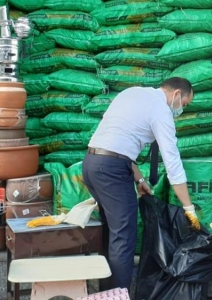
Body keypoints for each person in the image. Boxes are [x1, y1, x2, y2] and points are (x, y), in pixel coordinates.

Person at [82, 77, 200, 291]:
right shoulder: (161, 111)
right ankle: (117, 296)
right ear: (176, 94)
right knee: (124, 239)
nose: (181, 110)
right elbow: (172, 163)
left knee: (111, 233)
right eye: (184, 104)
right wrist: (188, 208)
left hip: (91, 164)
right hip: (112, 171)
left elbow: (118, 142)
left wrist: (139, 179)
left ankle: (106, 294)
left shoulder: (132, 92)